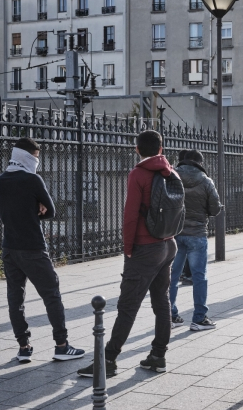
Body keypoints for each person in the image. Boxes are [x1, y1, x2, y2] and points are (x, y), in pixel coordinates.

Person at [78, 130, 176, 377]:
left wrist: (128, 250)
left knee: (127, 306)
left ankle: (108, 361)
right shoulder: (170, 172)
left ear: (137, 149)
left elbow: (130, 215)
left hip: (145, 248)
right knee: (162, 302)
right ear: (161, 150)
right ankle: (158, 356)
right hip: (168, 244)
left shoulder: (138, 174)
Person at [0, 137, 85, 364]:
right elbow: (52, 211)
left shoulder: (0, 181)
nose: (37, 161)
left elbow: (11, 209)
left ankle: (24, 348)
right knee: (51, 294)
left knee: (15, 299)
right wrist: (38, 206)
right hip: (33, 247)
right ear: (27, 156)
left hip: (9, 248)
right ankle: (61, 346)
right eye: (35, 157)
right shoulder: (33, 180)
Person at [169, 149, 222, 331]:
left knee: (172, 276)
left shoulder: (172, 176)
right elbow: (215, 209)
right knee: (199, 276)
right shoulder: (206, 181)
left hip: (174, 233)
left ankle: (171, 315)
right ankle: (198, 318)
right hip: (197, 233)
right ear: (200, 163)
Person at [177, 149, 193, 286]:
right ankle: (189, 274)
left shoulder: (172, 174)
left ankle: (180, 273)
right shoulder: (201, 176)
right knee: (191, 250)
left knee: (179, 249)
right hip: (194, 222)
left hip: (176, 221)